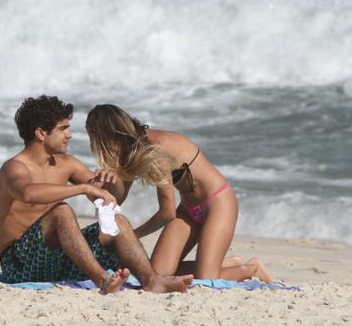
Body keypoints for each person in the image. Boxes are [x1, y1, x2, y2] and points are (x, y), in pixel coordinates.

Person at [0, 95, 194, 294]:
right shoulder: (14, 168)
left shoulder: (67, 163)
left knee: (118, 221)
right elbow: (28, 194)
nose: (69, 134)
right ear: (41, 133)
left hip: (56, 261)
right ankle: (103, 280)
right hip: (19, 265)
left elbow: (107, 196)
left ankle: (152, 281)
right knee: (61, 211)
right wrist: (83, 188)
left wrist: (112, 179)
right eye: (63, 129)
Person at [85, 104, 271, 283]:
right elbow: (118, 199)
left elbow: (167, 213)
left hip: (218, 203)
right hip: (188, 209)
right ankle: (228, 264)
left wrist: (131, 237)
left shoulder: (154, 149)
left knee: (206, 280)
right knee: (158, 274)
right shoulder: (130, 151)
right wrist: (99, 187)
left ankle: (252, 269)